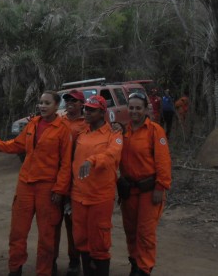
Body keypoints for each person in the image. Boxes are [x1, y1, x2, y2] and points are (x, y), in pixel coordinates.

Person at [0, 90, 73, 276]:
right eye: (41, 102)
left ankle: (44, 271)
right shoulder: (33, 124)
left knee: (47, 236)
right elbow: (17, 145)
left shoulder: (63, 129)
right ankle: (15, 268)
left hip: (47, 188)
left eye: (47, 103)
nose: (42, 106)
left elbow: (66, 163)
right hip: (25, 184)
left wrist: (60, 189)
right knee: (17, 232)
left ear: (56, 106)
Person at [119, 92, 172, 276]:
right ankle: (134, 262)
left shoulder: (155, 131)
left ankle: (144, 268)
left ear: (146, 109)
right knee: (130, 230)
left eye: (138, 108)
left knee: (145, 232)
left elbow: (163, 162)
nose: (134, 111)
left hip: (149, 190)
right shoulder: (124, 131)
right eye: (131, 107)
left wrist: (161, 187)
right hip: (129, 191)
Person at [71, 95, 123, 276]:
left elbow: (112, 155)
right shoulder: (81, 133)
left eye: (91, 110)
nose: (87, 112)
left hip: (100, 197)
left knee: (100, 241)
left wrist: (92, 160)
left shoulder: (114, 134)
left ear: (102, 112)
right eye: (86, 108)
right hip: (78, 196)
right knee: (81, 239)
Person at [54, 89, 88, 276]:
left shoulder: (87, 123)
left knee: (73, 223)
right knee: (52, 222)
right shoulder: (59, 120)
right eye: (67, 100)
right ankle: (50, 260)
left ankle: (74, 261)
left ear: (82, 104)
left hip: (76, 180)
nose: (70, 103)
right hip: (56, 177)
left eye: (74, 101)